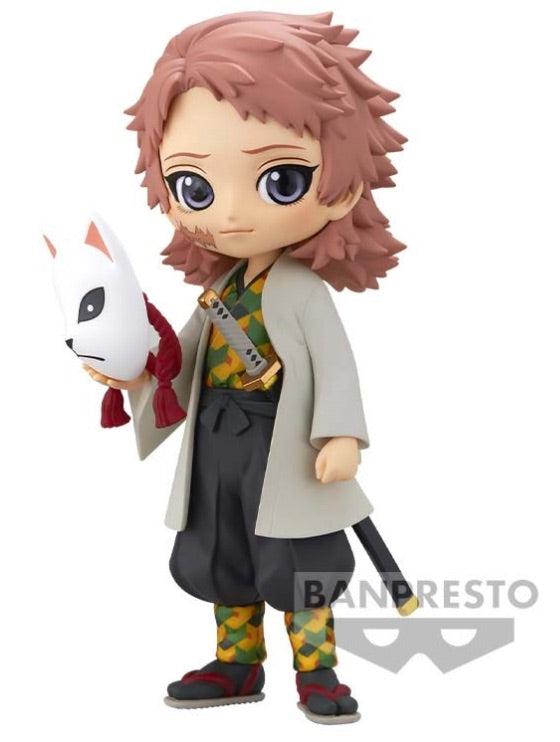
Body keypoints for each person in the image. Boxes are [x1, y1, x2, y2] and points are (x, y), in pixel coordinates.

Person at [85, 10, 405, 724]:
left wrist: (341, 433)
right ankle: (237, 661)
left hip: (281, 443)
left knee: (298, 559)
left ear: (341, 182)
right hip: (217, 442)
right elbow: (182, 364)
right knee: (221, 551)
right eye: (196, 188)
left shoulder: (302, 292)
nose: (229, 214)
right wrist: (136, 377)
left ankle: (317, 670)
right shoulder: (220, 292)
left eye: (280, 179)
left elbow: (335, 364)